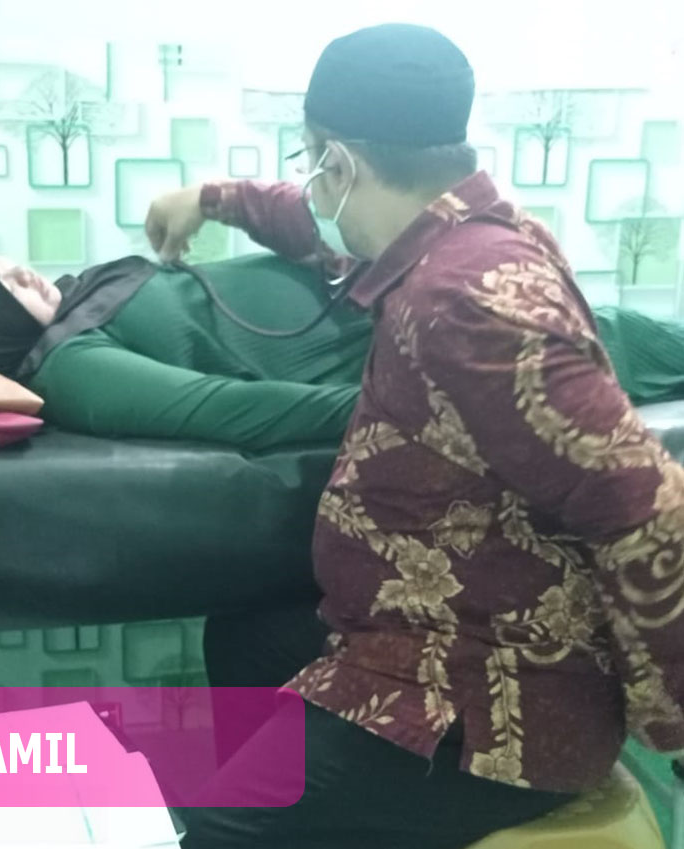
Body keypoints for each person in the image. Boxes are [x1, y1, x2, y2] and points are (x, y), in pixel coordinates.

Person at [137, 22, 684, 849]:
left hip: (495, 696)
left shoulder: (468, 303)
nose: (311, 187)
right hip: (421, 622)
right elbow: (320, 228)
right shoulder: (455, 234)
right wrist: (215, 200)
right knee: (245, 638)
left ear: (339, 162)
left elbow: (645, 509)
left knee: (218, 826)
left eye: (312, 164)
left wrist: (674, 729)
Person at [0, 232, 684, 457]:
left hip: (435, 297)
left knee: (634, 330)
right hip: (459, 352)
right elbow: (237, 410)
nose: (19, 268)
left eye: (0, 258)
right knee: (630, 335)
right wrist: (433, 403)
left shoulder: (85, 294)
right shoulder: (73, 366)